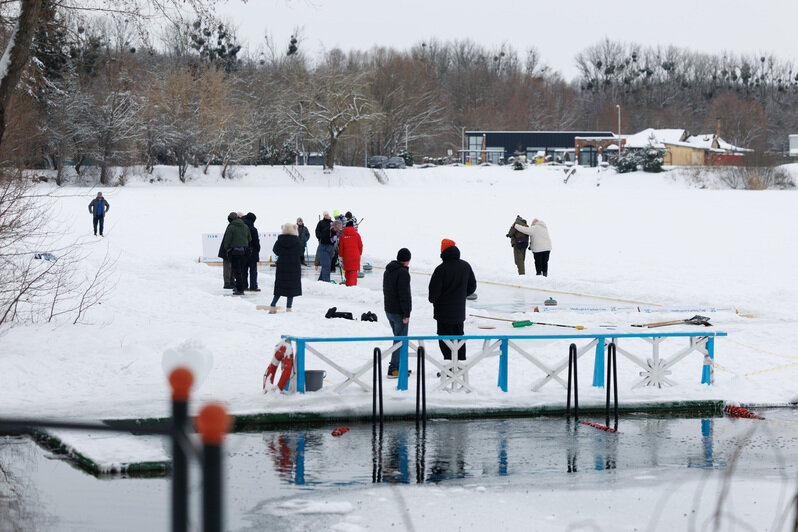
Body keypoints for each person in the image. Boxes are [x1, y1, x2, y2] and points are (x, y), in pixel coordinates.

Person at [428, 239, 476, 362]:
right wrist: (460, 295)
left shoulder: (441, 269)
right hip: (459, 312)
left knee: (445, 340)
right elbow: (472, 286)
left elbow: (433, 293)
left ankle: (449, 367)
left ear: (443, 251)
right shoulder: (465, 266)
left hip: (443, 313)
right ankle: (459, 366)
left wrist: (437, 300)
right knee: (459, 338)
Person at [383, 248, 412, 378]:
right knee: (400, 341)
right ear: (407, 260)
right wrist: (406, 313)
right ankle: (393, 368)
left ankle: (400, 366)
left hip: (389, 309)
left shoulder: (388, 270)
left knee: (398, 339)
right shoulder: (402, 273)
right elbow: (404, 295)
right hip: (399, 312)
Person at [269, 223, 304, 313]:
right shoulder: (297, 241)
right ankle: (289, 308)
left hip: (282, 266)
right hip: (294, 266)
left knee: (279, 288)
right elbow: (301, 251)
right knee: (291, 288)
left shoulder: (280, 240)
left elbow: (275, 250)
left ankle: (272, 306)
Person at [222, 212, 251, 295]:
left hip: (234, 252)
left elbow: (227, 241)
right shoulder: (245, 226)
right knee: (241, 270)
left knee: (236, 271)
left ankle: (239, 289)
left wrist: (227, 248)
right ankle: (240, 287)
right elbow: (249, 238)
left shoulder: (231, 227)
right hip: (244, 252)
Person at [338, 220, 363, 286]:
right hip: (355, 257)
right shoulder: (357, 235)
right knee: (353, 274)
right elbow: (360, 246)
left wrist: (340, 256)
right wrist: (360, 254)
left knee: (348, 273)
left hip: (346, 257)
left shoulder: (343, 236)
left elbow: (340, 247)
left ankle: (348, 287)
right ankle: (352, 288)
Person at [242, 212, 260, 290]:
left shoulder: (242, 228)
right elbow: (256, 242)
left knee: (243, 270)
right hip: (253, 252)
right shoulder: (253, 229)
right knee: (253, 271)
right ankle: (253, 286)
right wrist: (258, 249)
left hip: (243, 251)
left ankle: (244, 285)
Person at [314, 211, 335, 282]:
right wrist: (320, 237)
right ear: (324, 216)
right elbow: (317, 231)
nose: (326, 216)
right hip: (323, 244)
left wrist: (333, 241)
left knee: (327, 264)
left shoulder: (332, 223)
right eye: (325, 215)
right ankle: (326, 281)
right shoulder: (321, 223)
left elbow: (335, 233)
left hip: (330, 245)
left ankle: (320, 280)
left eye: (327, 215)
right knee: (326, 265)